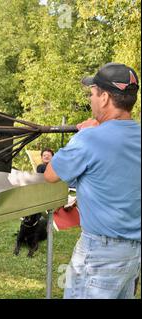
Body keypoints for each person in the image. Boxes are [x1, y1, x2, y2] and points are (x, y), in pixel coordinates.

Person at [44, 62, 141, 299]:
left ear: (105, 98)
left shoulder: (90, 139)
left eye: (93, 94)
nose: (91, 100)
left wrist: (83, 133)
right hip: (132, 255)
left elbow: (51, 174)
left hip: (99, 253)